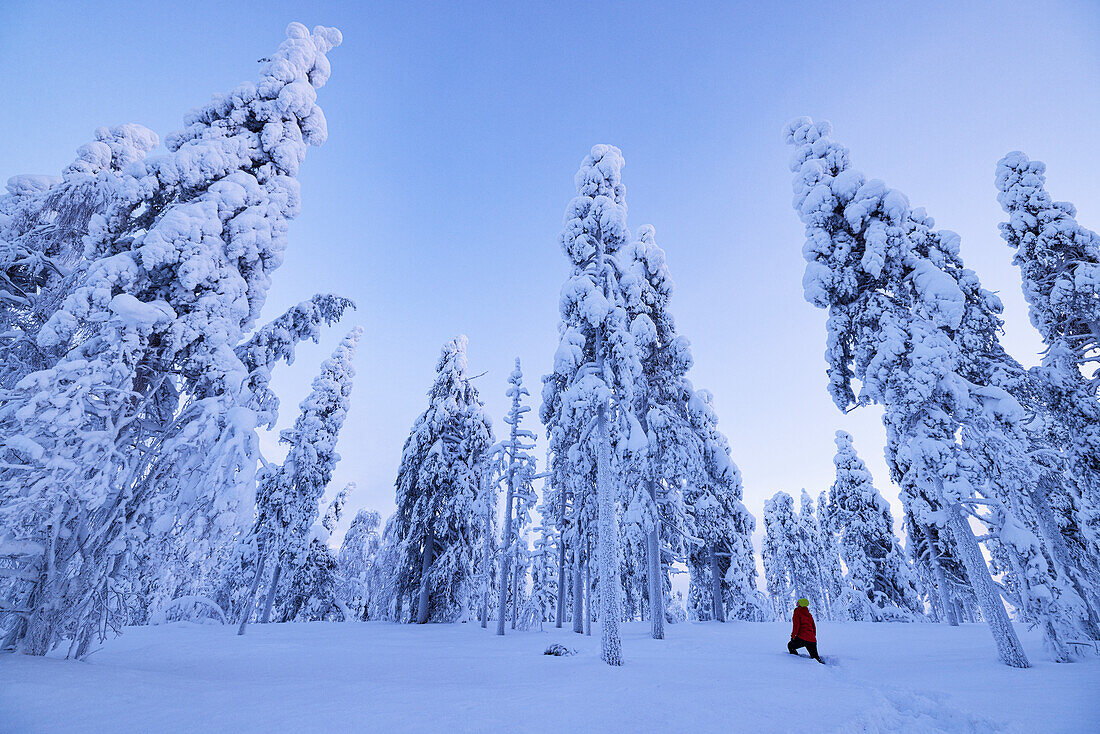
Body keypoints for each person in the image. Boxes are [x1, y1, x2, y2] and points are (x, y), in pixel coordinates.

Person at [787, 598, 823, 663]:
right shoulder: (809, 614)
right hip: (812, 639)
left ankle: (796, 662)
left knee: (790, 646)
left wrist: (793, 636)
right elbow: (813, 626)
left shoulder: (797, 611)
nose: (797, 602)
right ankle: (823, 667)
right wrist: (813, 636)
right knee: (815, 657)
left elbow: (796, 625)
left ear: (801, 604)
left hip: (802, 638)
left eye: (798, 602)